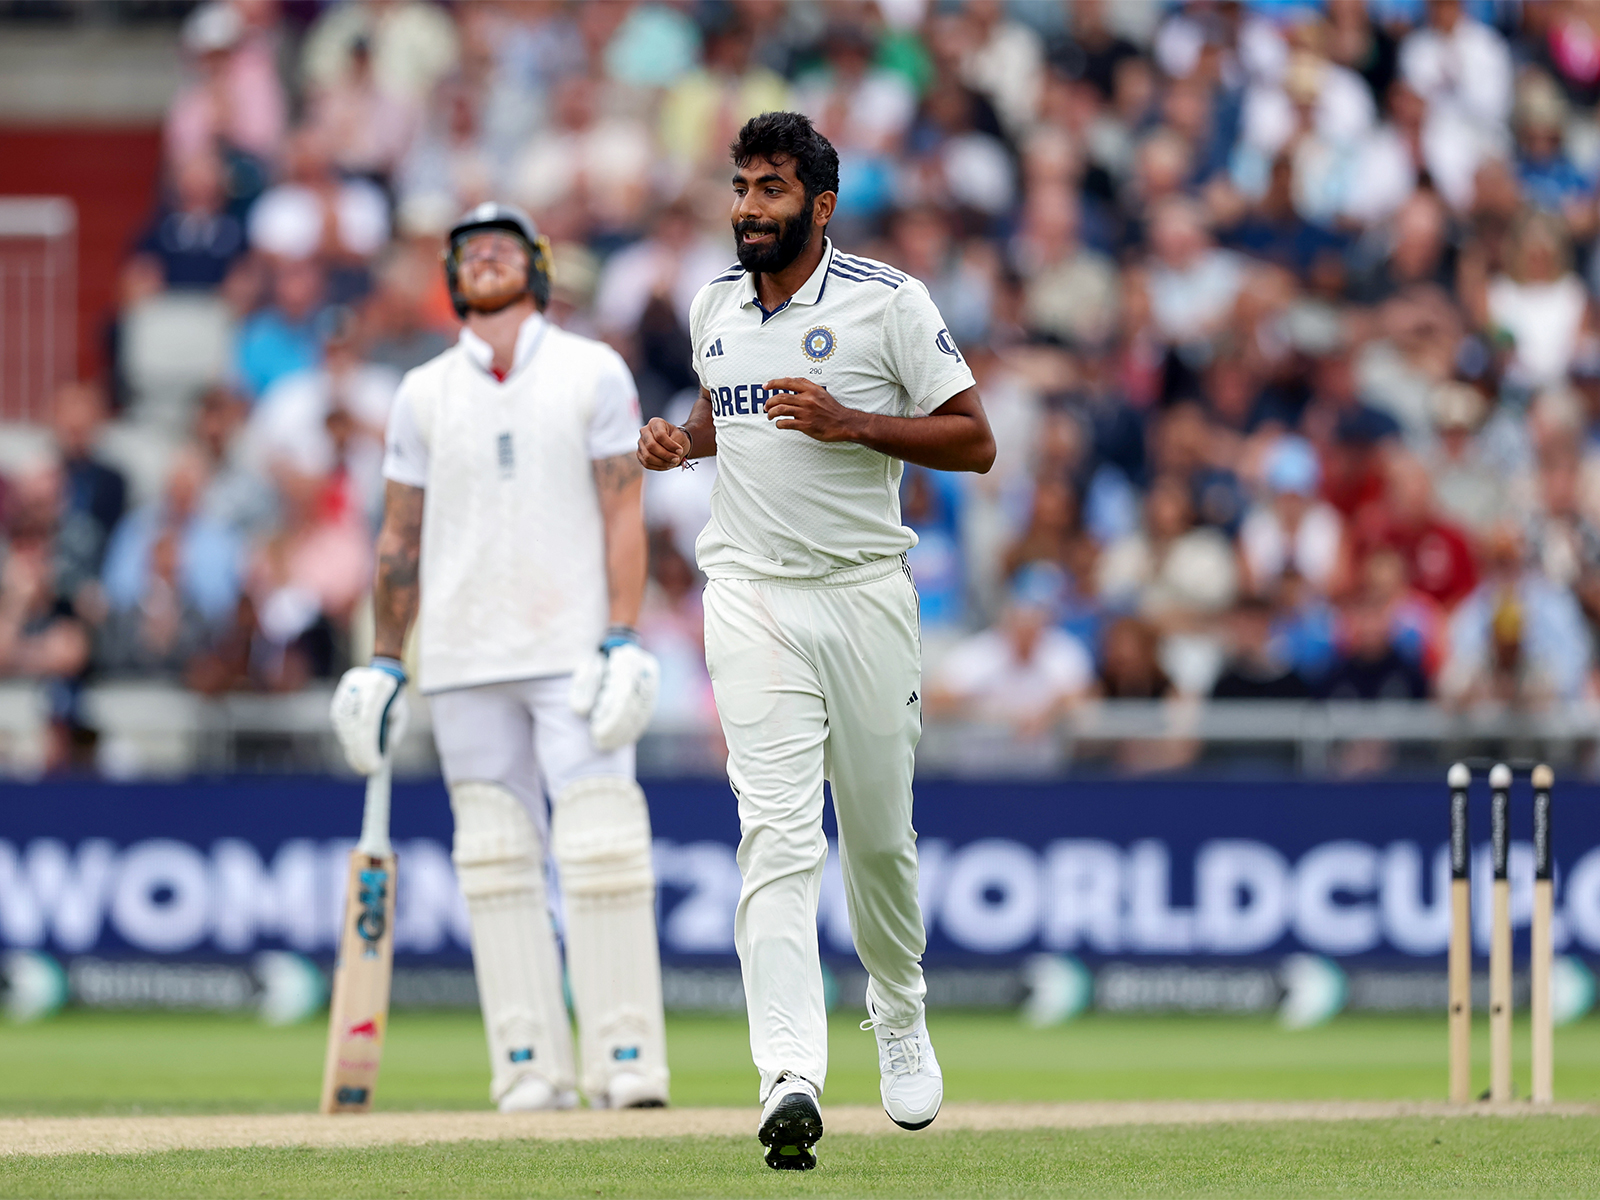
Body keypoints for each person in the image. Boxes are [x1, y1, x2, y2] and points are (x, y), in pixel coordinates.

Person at [638, 112, 996, 1171]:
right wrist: (679, 444)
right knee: (778, 837)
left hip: (863, 595)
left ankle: (898, 1006)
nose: (749, 208)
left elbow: (975, 440)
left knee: (878, 838)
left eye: (771, 190)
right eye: (741, 187)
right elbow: (725, 412)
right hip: (747, 593)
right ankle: (787, 1072)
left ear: (820, 206)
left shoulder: (890, 302)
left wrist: (854, 424)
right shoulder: (712, 304)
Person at [329, 203, 669, 1114]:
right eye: (468, 251)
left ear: (539, 266)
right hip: (465, 655)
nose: (484, 259)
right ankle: (528, 1064)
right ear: (450, 278)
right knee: (493, 858)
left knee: (601, 844)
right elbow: (398, 538)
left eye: (502, 247)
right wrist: (384, 660)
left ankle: (625, 1055)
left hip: (573, 652)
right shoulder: (422, 391)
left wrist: (624, 632)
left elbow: (621, 510)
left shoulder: (593, 370)